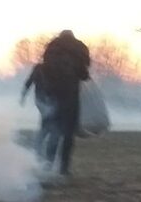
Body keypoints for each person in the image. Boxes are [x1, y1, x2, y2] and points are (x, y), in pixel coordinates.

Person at [22, 30, 90, 177]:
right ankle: (64, 168)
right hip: (71, 96)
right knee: (67, 134)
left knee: (52, 129)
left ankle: (47, 164)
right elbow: (84, 74)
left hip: (51, 95)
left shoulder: (52, 47)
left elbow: (43, 69)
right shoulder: (79, 47)